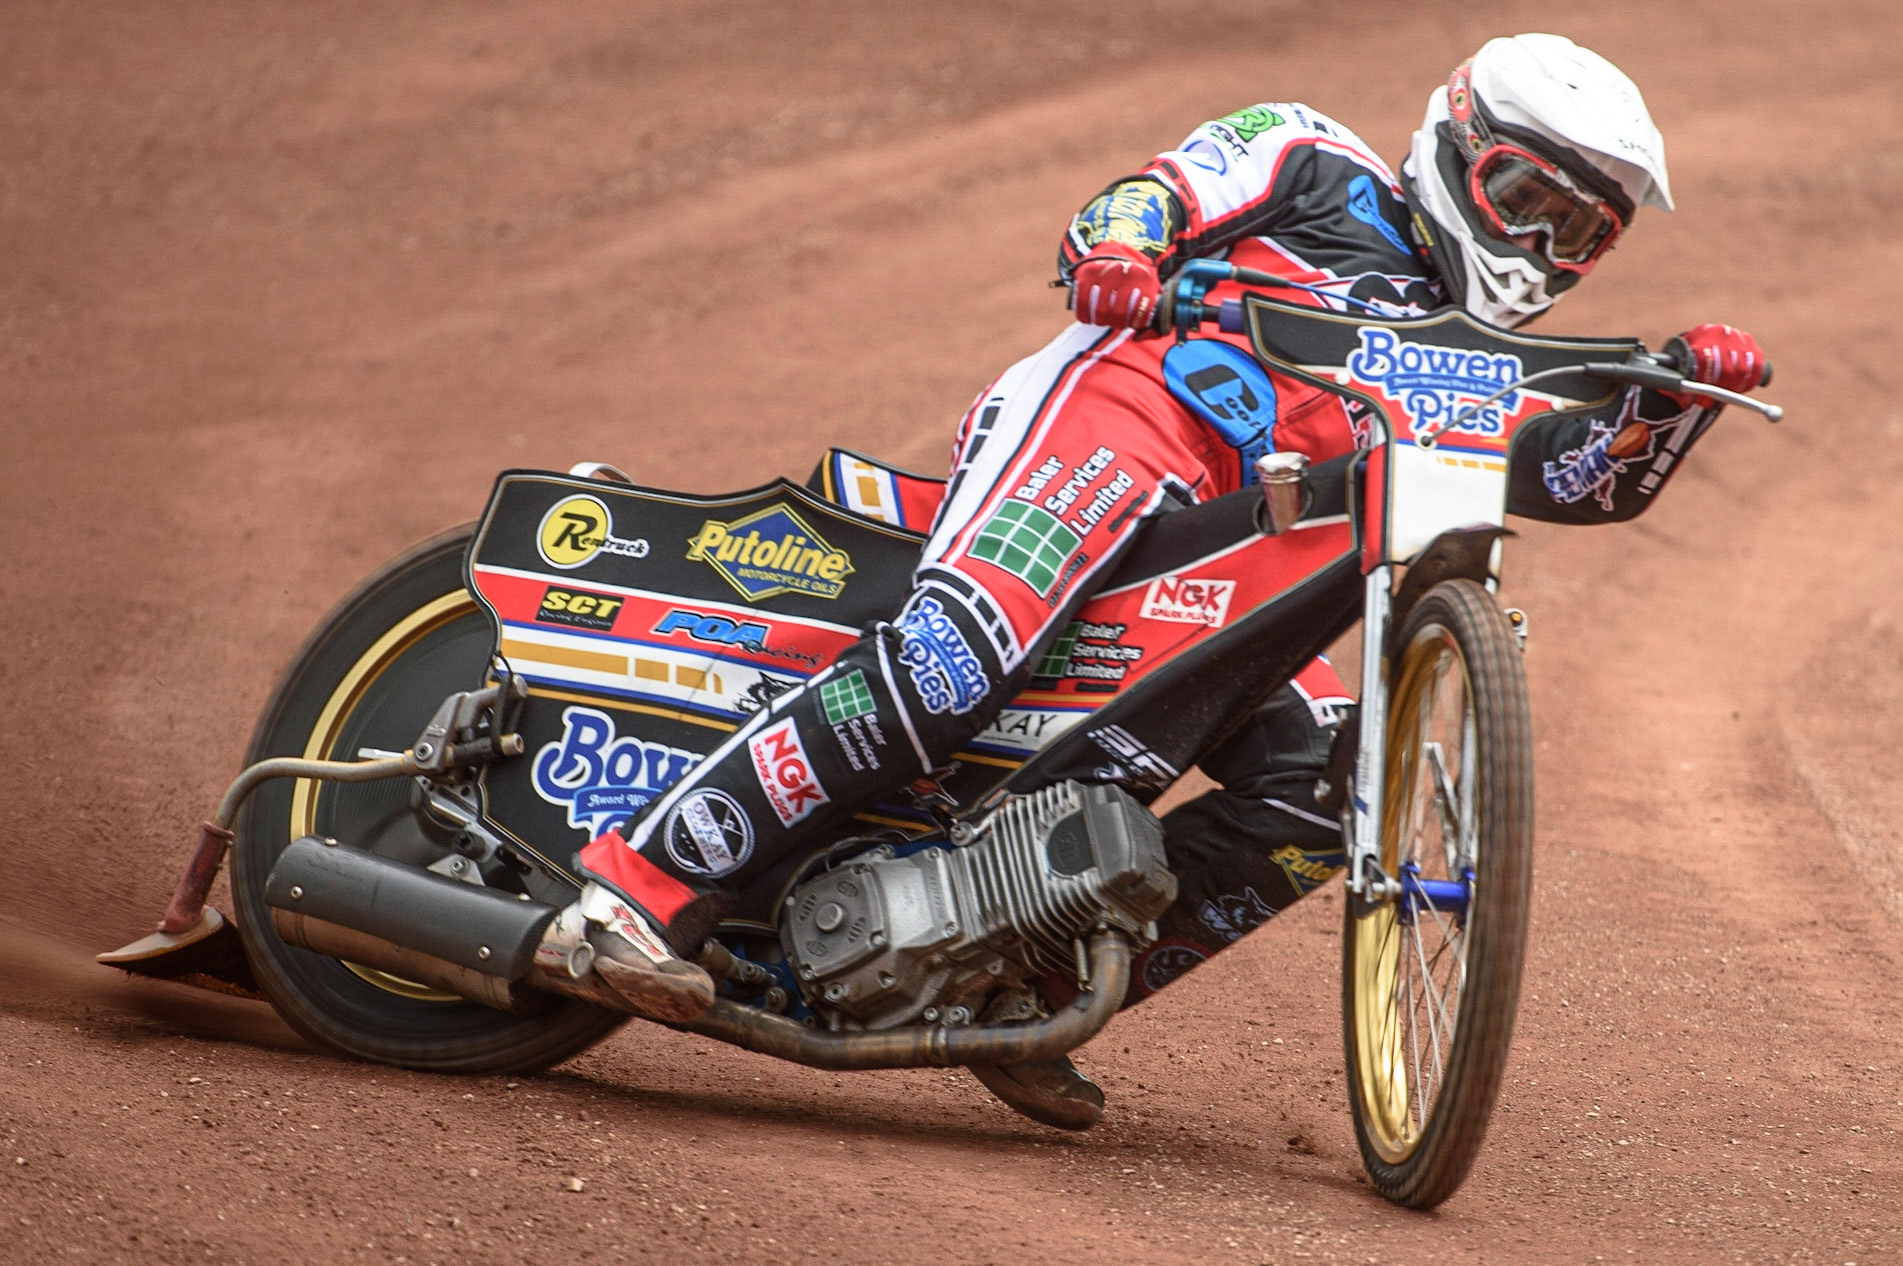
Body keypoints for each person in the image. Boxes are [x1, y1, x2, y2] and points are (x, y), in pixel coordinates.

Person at [569, 33, 1769, 1102]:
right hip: (1115, 426)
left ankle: (1016, 996)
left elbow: (1572, 482)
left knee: (1327, 779)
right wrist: (1125, 250)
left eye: (1579, 235)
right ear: (1458, 147)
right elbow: (1147, 195)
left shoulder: (1478, 365)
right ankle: (632, 885)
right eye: (1526, 201)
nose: (1543, 250)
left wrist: (1672, 405)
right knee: (955, 653)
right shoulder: (1311, 156)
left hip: (1227, 548)